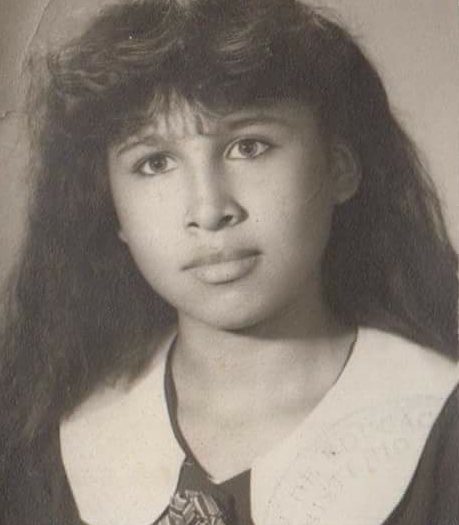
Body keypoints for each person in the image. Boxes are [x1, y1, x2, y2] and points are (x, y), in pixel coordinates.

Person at [0, 0, 457, 524]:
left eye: (249, 146)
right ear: (112, 209)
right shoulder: (50, 440)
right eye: (155, 163)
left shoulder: (440, 425)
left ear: (339, 168)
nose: (209, 210)